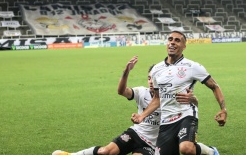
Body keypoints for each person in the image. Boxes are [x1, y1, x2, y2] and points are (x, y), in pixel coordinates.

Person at [52, 56, 212, 155]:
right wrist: (126, 71)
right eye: (149, 78)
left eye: (153, 79)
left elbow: (189, 108)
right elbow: (121, 91)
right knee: (104, 152)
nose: (151, 81)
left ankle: (205, 149)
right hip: (136, 133)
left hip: (154, 143)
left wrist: (194, 100)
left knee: (186, 148)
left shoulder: (170, 96)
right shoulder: (141, 92)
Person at [131, 31, 227, 155]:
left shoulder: (193, 66)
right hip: (166, 120)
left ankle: (210, 151)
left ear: (184, 46)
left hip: (186, 114)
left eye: (177, 40)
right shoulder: (156, 70)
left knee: (186, 148)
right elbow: (157, 98)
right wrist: (142, 116)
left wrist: (223, 109)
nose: (172, 42)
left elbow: (214, 86)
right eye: (170, 39)